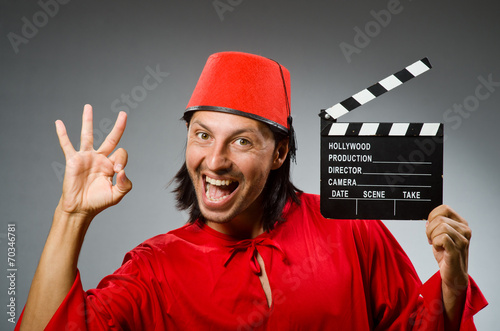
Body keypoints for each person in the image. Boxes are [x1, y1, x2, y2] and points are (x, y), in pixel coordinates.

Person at [16, 52, 487, 330]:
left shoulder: (352, 227)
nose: (215, 160)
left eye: (241, 141)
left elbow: (416, 325)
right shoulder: (154, 268)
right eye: (202, 135)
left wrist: (451, 282)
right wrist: (71, 215)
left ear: (279, 152)